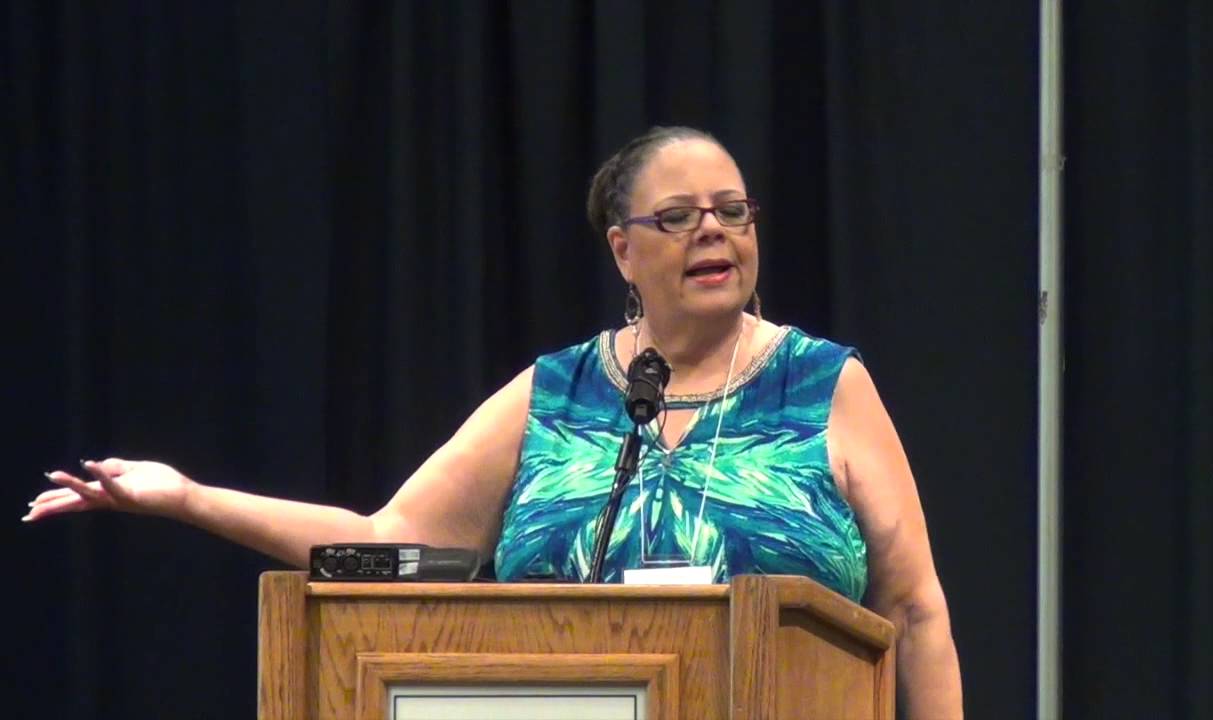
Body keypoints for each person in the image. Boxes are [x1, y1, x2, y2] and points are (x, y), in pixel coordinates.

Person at [24, 126, 963, 717]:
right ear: (622, 250)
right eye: (680, 217)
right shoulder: (553, 394)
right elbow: (384, 547)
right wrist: (188, 499)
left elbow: (914, 608)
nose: (715, 231)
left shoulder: (823, 384)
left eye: (732, 211)